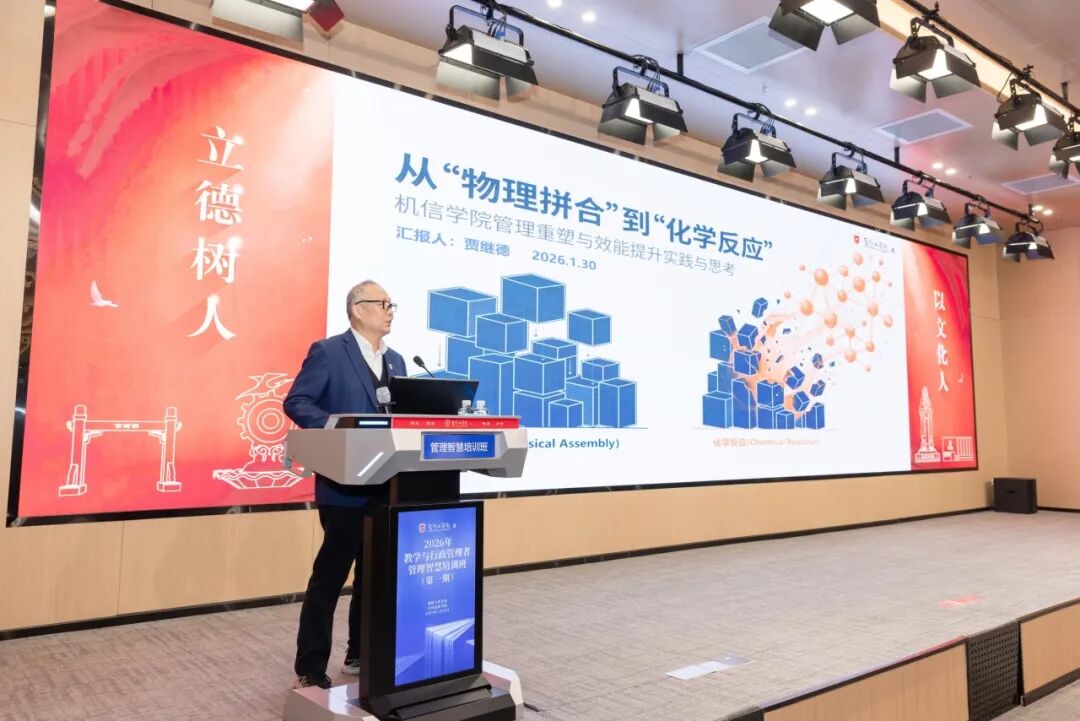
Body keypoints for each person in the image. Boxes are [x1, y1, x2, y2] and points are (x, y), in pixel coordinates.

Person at [284, 280, 405, 689]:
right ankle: (311, 666)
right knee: (330, 577)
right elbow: (297, 402)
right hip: (343, 486)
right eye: (382, 303)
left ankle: (359, 653)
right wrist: (338, 429)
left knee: (373, 576)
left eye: (391, 304)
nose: (389, 310)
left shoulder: (398, 361)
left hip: (387, 483)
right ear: (357, 309)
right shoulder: (329, 352)